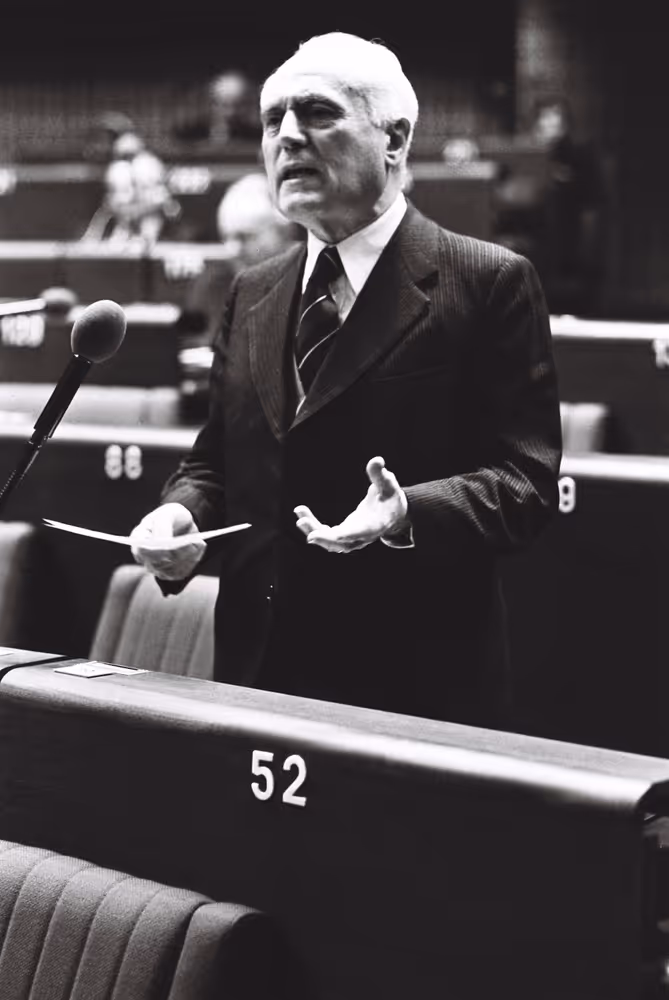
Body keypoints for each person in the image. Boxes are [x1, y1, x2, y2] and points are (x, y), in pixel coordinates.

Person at [130, 32, 562, 729]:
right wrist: (180, 515)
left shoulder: (486, 282)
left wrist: (405, 513)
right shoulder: (252, 292)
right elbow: (214, 461)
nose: (287, 136)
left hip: (409, 683)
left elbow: (525, 481)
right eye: (273, 121)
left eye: (318, 114)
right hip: (257, 675)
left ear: (394, 139)